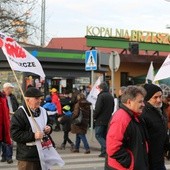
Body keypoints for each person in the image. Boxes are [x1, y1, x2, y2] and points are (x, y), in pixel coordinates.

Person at [105, 85, 149, 170]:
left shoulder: (133, 115)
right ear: (129, 102)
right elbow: (113, 148)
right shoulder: (121, 118)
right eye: (140, 102)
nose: (143, 104)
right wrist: (130, 162)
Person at [10, 87, 53, 170]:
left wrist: (49, 128)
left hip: (43, 153)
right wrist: (33, 136)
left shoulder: (43, 110)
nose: (39, 100)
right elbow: (15, 134)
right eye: (36, 98)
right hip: (27, 157)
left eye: (40, 98)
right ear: (28, 100)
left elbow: (49, 122)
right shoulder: (20, 113)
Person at [141, 83, 168, 170]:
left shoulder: (159, 110)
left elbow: (162, 131)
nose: (159, 100)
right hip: (149, 161)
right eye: (155, 97)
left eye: (160, 96)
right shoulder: (144, 114)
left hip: (159, 158)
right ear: (147, 98)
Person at [93, 81, 114, 158]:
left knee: (98, 135)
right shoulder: (110, 96)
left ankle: (106, 148)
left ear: (101, 89)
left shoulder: (101, 96)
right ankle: (104, 152)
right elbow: (112, 108)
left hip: (100, 119)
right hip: (108, 119)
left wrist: (94, 116)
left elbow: (98, 108)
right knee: (104, 136)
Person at [1, 82, 19, 164]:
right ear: (6, 88)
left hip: (12, 119)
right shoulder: (2, 96)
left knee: (9, 138)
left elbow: (17, 105)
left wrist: (15, 113)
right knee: (4, 138)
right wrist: (9, 112)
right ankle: (4, 155)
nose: (11, 90)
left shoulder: (12, 97)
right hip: (4, 120)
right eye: (11, 88)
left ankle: (9, 156)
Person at [0, 91, 12, 164]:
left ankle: (8, 157)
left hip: (4, 124)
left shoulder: (3, 97)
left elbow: (7, 109)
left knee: (7, 142)